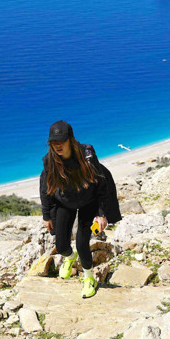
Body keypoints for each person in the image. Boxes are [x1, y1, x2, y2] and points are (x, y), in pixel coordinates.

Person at [40, 120, 113, 299]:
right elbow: (45, 187)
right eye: (53, 142)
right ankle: (69, 257)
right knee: (61, 245)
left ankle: (89, 278)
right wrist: (47, 215)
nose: (57, 145)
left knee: (82, 244)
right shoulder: (50, 161)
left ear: (70, 140)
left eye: (61, 141)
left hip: (89, 202)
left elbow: (101, 184)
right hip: (65, 202)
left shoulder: (87, 154)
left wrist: (101, 213)